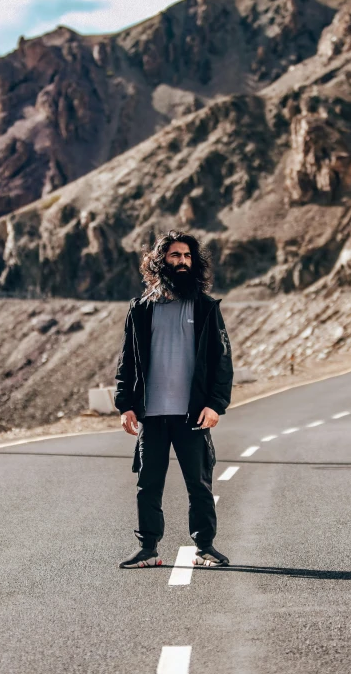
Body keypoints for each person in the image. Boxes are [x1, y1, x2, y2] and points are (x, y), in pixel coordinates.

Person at [114, 230, 234, 568]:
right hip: (151, 415)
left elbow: (221, 361)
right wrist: (125, 404)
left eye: (187, 256)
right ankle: (148, 548)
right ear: (159, 261)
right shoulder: (141, 309)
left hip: (192, 414)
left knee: (199, 483)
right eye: (174, 256)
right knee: (147, 484)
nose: (182, 262)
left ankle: (205, 548)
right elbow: (127, 361)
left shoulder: (206, 308)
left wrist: (215, 404)